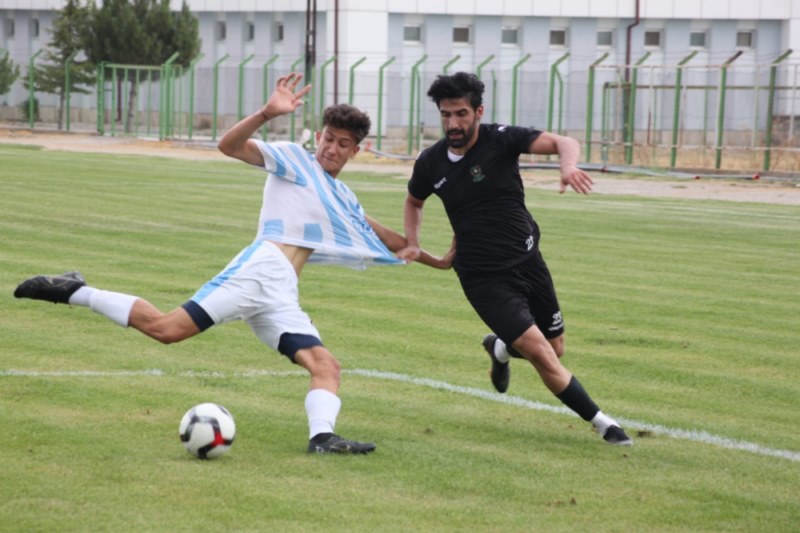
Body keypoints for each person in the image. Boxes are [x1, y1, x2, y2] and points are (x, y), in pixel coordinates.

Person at [14, 72, 453, 455]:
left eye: (342, 144)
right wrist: (266, 112)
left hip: (280, 292)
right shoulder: (294, 160)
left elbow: (390, 240)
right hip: (260, 270)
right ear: (317, 135)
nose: (331, 149)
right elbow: (229, 145)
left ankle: (322, 439)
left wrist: (442, 260)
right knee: (168, 330)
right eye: (327, 138)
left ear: (359, 150)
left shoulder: (343, 197)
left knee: (326, 366)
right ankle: (75, 290)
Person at [397, 72, 633, 446]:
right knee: (542, 354)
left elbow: (562, 141)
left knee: (556, 347)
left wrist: (567, 166)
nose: (453, 124)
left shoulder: (500, 140)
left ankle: (500, 347)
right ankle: (606, 425)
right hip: (483, 278)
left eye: (461, 113)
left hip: (528, 261)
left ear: (479, 111)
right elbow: (414, 201)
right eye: (445, 115)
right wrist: (413, 241)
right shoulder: (431, 163)